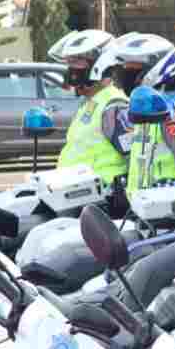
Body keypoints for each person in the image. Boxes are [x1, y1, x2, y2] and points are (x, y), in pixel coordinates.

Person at [49, 30, 131, 213]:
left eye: (77, 62)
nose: (71, 69)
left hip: (101, 204)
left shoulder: (114, 106)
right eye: (69, 63)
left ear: (100, 65)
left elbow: (133, 158)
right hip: (72, 197)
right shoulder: (90, 103)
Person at [108, 33, 175, 196]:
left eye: (132, 68)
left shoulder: (168, 114)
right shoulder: (139, 111)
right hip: (142, 208)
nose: (125, 74)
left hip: (168, 207)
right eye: (125, 68)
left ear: (155, 71)